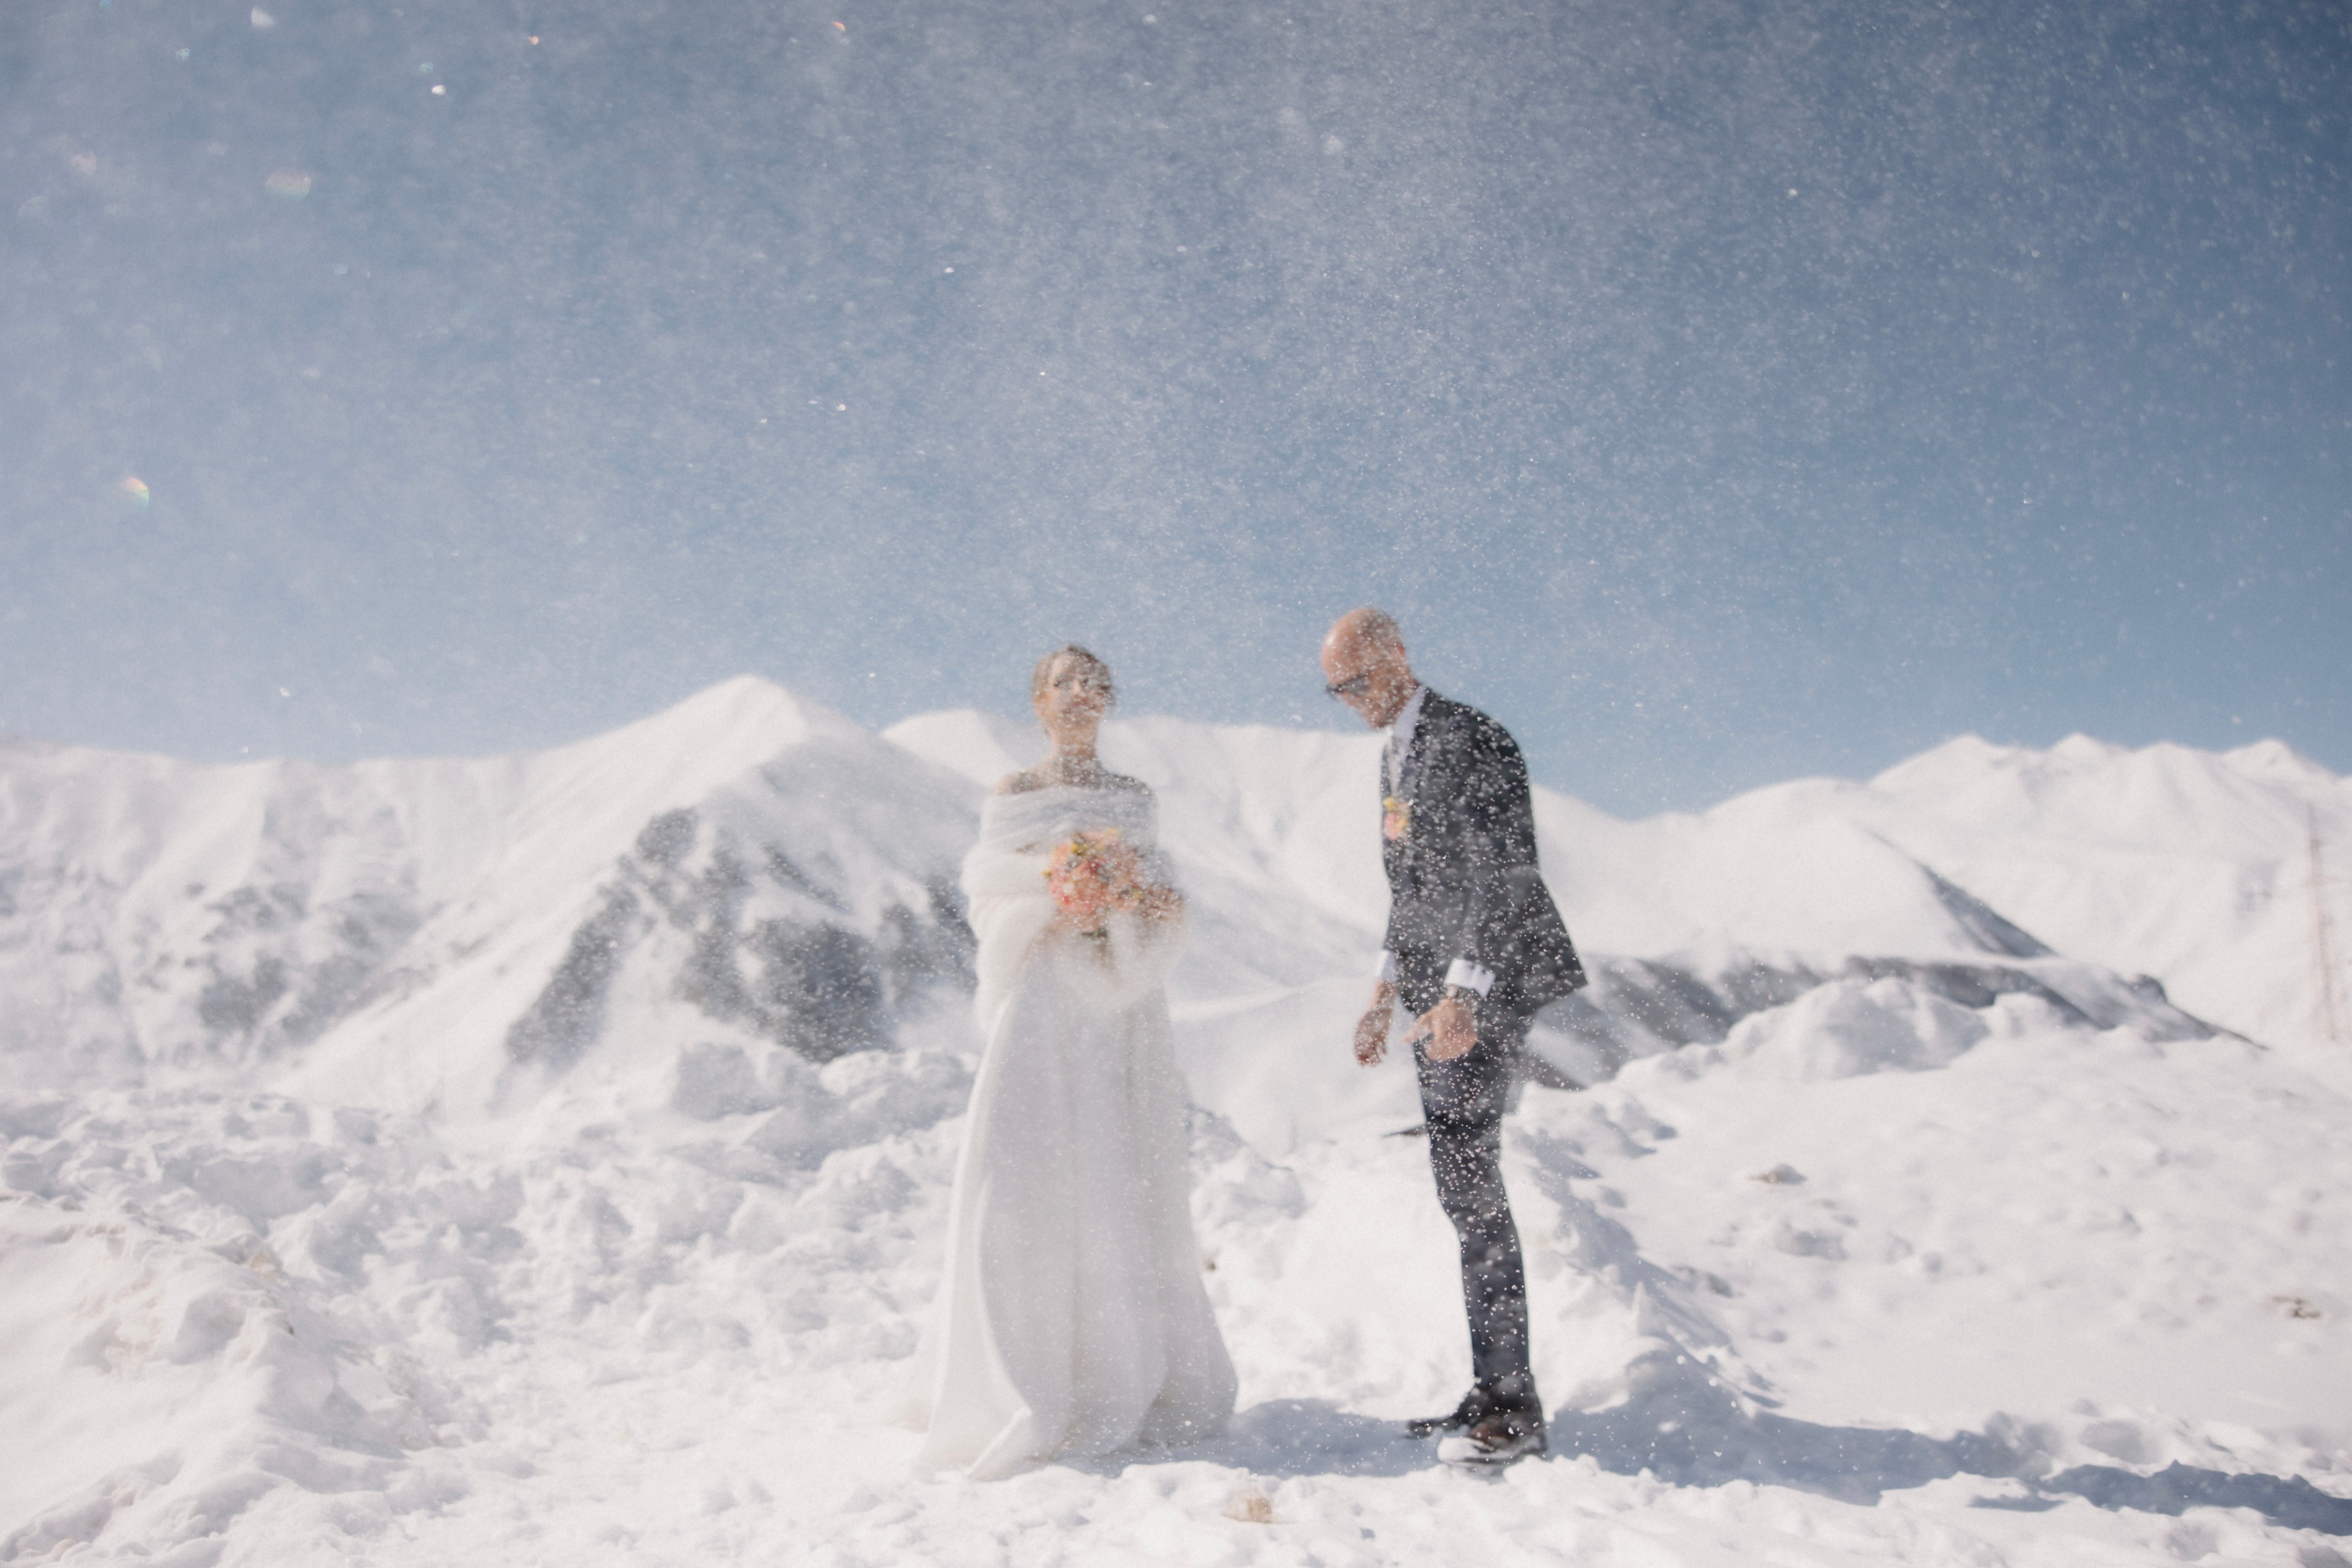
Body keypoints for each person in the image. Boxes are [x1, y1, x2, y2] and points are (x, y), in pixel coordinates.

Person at [901, 645, 1237, 1478]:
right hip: (1043, 998)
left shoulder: (1135, 799)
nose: (1083, 693)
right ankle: (1024, 1369)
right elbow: (988, 894)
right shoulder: (1011, 796)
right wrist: (1058, 893)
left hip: (1119, 1006)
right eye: (1065, 681)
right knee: (1026, 1167)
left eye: (1095, 681)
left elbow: (1161, 896)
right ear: (1038, 701)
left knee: (1123, 1166)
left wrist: (1125, 902)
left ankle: (1121, 1364)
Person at [1319, 608, 1586, 1466]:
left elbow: (1506, 867)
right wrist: (1384, 988)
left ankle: (1514, 1403)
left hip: (1489, 979)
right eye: (1337, 689)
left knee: (1471, 1189)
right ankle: (1494, 1382)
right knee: (1460, 1185)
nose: (1352, 698)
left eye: (1359, 679)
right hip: (1436, 989)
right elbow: (1416, 884)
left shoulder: (1472, 734)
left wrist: (1464, 990)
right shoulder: (1394, 753)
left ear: (1396, 653)